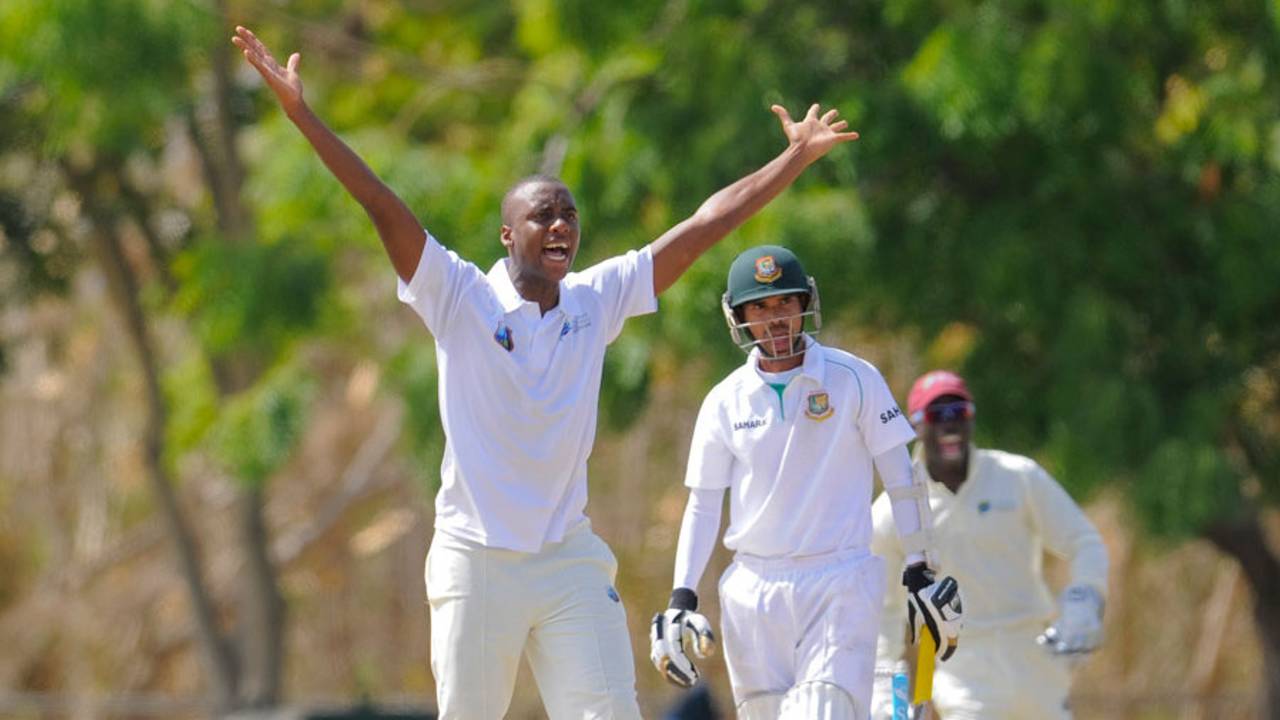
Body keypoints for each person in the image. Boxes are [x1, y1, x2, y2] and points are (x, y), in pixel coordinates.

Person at [232, 25, 863, 720]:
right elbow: (382, 203)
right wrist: (302, 116)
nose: (561, 224)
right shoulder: (460, 295)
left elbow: (704, 225)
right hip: (476, 559)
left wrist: (794, 160)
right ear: (508, 235)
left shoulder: (596, 300)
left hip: (567, 559)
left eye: (569, 213)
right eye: (543, 215)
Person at [649, 245, 963, 719]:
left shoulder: (853, 378)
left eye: (784, 304)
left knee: (820, 712)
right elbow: (703, 505)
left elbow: (902, 477)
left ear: (804, 305)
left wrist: (920, 567)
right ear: (739, 316)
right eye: (759, 307)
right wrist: (681, 597)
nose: (774, 319)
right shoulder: (724, 401)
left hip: (840, 580)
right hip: (752, 592)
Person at [869, 370, 1110, 719]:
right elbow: (883, 610)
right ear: (916, 425)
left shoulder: (1017, 477)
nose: (950, 425)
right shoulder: (896, 508)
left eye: (959, 413)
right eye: (938, 416)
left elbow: (1084, 541)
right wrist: (883, 690)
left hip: (1035, 658)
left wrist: (1085, 598)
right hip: (963, 667)